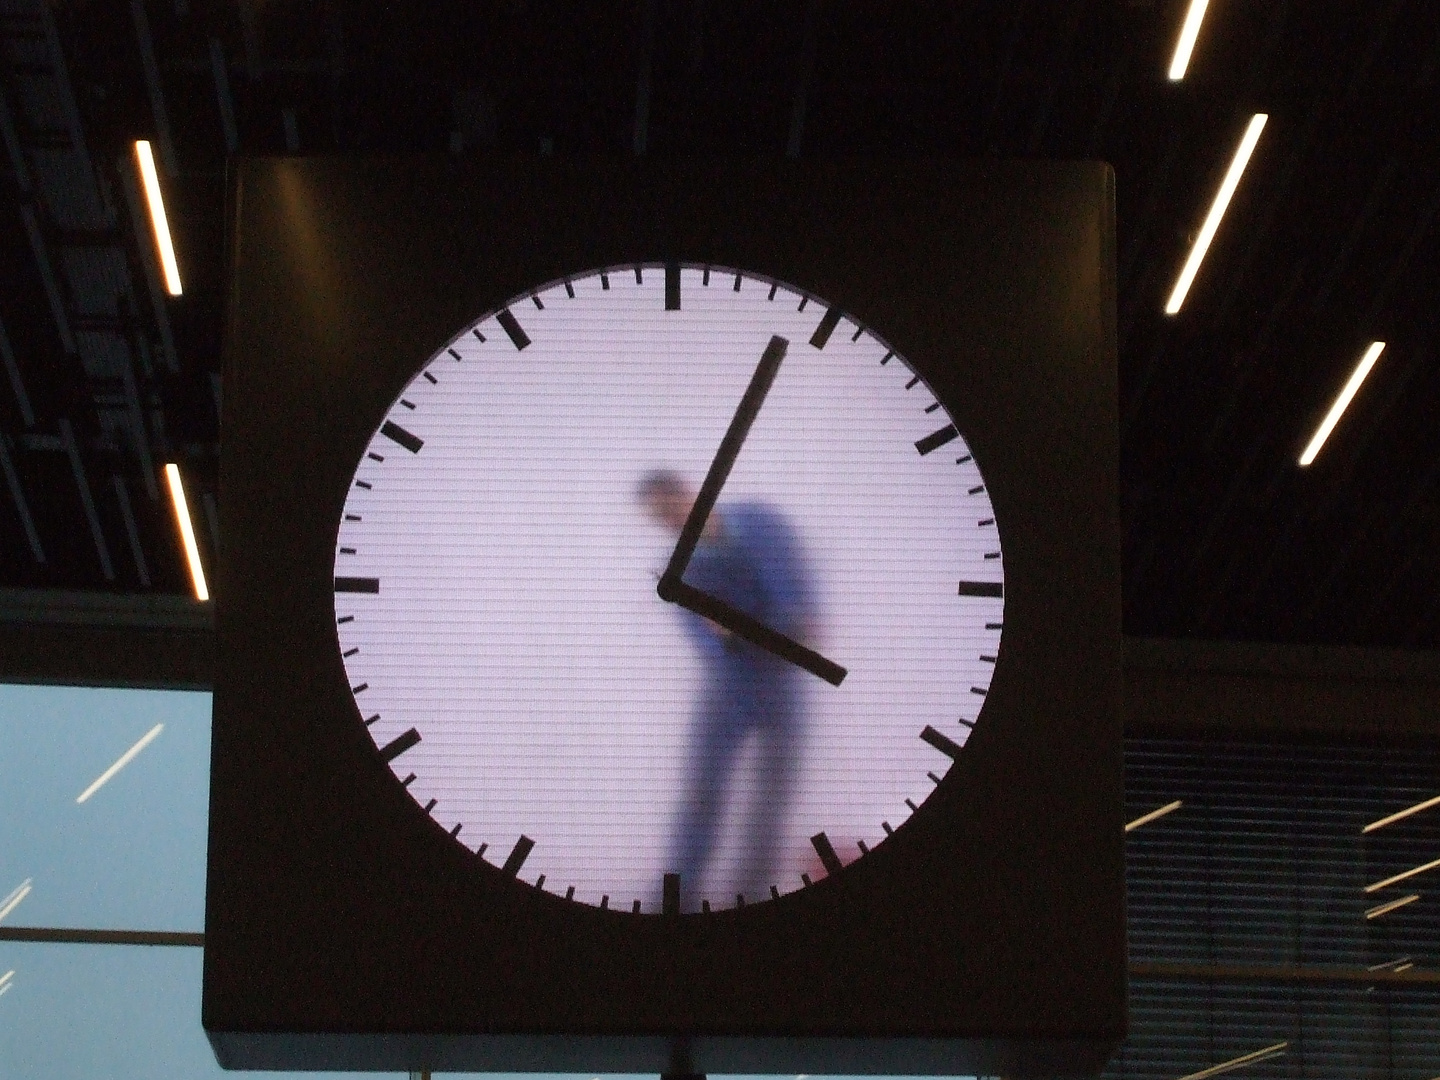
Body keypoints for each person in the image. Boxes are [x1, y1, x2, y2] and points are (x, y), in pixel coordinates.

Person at [638, 470, 814, 910]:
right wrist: (747, 636)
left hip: (784, 685)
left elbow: (797, 605)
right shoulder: (679, 571)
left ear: (691, 491)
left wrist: (740, 631)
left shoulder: (759, 520)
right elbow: (708, 642)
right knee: (701, 797)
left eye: (669, 505)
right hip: (728, 690)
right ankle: (673, 901)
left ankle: (752, 894)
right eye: (658, 517)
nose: (669, 520)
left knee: (771, 800)